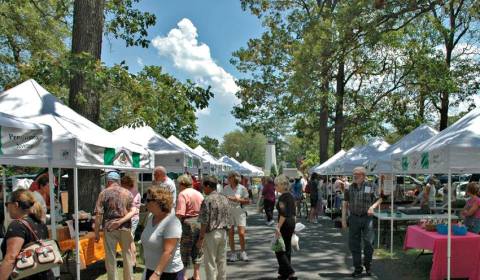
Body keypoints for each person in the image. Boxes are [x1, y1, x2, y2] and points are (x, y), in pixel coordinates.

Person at [0, 189, 53, 280]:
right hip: (44, 274)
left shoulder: (17, 225)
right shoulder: (39, 222)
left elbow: (11, 258)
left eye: (6, 204)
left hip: (26, 276)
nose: (6, 208)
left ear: (15, 205)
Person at [342, 167, 383, 278]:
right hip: (354, 218)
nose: (355, 176)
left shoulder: (371, 186)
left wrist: (372, 207)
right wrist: (343, 219)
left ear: (364, 176)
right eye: (354, 174)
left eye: (358, 174)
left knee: (369, 242)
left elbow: (380, 199)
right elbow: (345, 204)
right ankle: (357, 268)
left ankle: (368, 265)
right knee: (354, 244)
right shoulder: (349, 188)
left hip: (367, 218)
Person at [94, 171, 136, 280]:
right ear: (118, 181)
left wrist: (97, 232)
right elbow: (134, 210)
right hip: (125, 227)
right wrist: (121, 221)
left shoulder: (103, 193)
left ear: (108, 181)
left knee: (110, 257)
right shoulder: (128, 193)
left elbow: (98, 215)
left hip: (109, 228)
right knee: (127, 255)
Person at [141, 187, 184, 280]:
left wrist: (157, 274)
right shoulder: (150, 217)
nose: (145, 202)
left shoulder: (172, 222)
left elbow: (168, 252)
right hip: (150, 268)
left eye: (148, 200)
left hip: (168, 273)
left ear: (159, 202)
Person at [197, 176, 230, 280]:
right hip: (223, 232)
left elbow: (204, 221)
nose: (203, 189)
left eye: (203, 186)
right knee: (222, 260)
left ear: (208, 186)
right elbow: (229, 216)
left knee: (210, 262)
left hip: (211, 233)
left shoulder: (207, 200)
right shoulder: (225, 198)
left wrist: (200, 239)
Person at [175, 175, 204, 280]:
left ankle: (184, 276)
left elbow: (180, 213)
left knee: (184, 251)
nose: (178, 186)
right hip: (200, 223)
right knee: (197, 250)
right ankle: (197, 275)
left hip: (187, 223)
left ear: (182, 184)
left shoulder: (182, 194)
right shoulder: (199, 194)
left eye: (178, 184)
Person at [222, 171, 250, 262]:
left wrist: (237, 199)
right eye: (228, 177)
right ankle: (233, 253)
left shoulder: (242, 188)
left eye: (229, 177)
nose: (228, 179)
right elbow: (222, 199)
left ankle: (243, 252)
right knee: (231, 233)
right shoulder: (226, 188)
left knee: (241, 233)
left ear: (234, 178)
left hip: (240, 211)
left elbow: (247, 201)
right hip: (229, 211)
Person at [274, 175, 297, 280]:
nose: (275, 187)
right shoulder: (291, 196)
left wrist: (278, 227)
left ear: (283, 185)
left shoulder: (283, 197)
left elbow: (283, 213)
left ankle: (290, 272)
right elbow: (294, 212)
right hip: (291, 222)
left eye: (276, 185)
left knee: (278, 249)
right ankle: (284, 273)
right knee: (286, 248)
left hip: (285, 223)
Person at [121, 174, 141, 270]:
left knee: (129, 240)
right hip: (134, 217)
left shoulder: (129, 193)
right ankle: (132, 262)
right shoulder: (135, 191)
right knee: (131, 240)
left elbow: (128, 207)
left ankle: (132, 262)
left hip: (131, 218)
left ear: (126, 183)